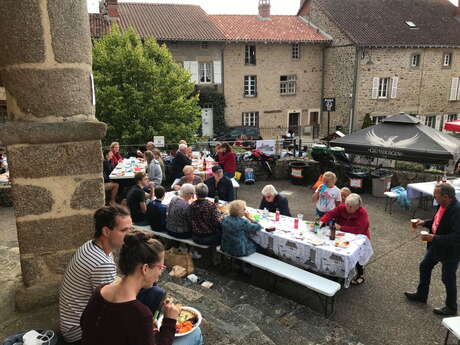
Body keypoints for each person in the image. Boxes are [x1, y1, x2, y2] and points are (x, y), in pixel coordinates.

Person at [59, 206, 165, 343]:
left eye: (130, 229)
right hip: (77, 332)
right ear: (106, 231)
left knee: (152, 289)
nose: (129, 234)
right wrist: (144, 322)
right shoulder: (103, 264)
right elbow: (111, 307)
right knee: (154, 293)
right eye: (123, 230)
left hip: (76, 319)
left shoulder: (92, 246)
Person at [80, 231, 203, 345]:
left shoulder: (100, 290)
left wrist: (149, 330)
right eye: (160, 267)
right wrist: (169, 321)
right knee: (195, 334)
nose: (160, 273)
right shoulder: (140, 314)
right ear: (145, 269)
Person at [405, 183, 460, 316]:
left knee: (448, 278)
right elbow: (437, 221)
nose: (434, 197)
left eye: (436, 195)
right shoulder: (442, 205)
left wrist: (433, 238)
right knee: (424, 266)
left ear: (446, 197)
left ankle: (451, 307)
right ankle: (421, 295)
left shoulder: (457, 211)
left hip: (451, 251)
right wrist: (424, 222)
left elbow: (457, 237)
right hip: (436, 246)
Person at [320, 193, 370, 285]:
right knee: (336, 251)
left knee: (358, 255)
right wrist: (322, 221)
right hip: (342, 235)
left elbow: (359, 229)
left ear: (358, 206)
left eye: (351, 206)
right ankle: (337, 271)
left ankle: (360, 274)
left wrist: (341, 228)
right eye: (347, 205)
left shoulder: (363, 213)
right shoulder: (341, 207)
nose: (348, 208)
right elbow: (330, 214)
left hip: (359, 238)